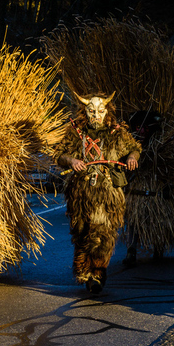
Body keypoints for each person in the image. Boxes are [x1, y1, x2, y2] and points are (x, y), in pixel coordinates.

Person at [54, 91, 141, 293]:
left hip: (108, 194)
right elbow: (59, 153)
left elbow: (135, 148)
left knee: (103, 233)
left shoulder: (116, 133)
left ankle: (98, 273)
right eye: (91, 111)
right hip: (81, 195)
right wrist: (71, 160)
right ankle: (84, 270)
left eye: (100, 111)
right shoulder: (76, 132)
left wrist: (131, 158)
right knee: (82, 232)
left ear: (106, 112)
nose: (96, 115)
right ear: (85, 112)